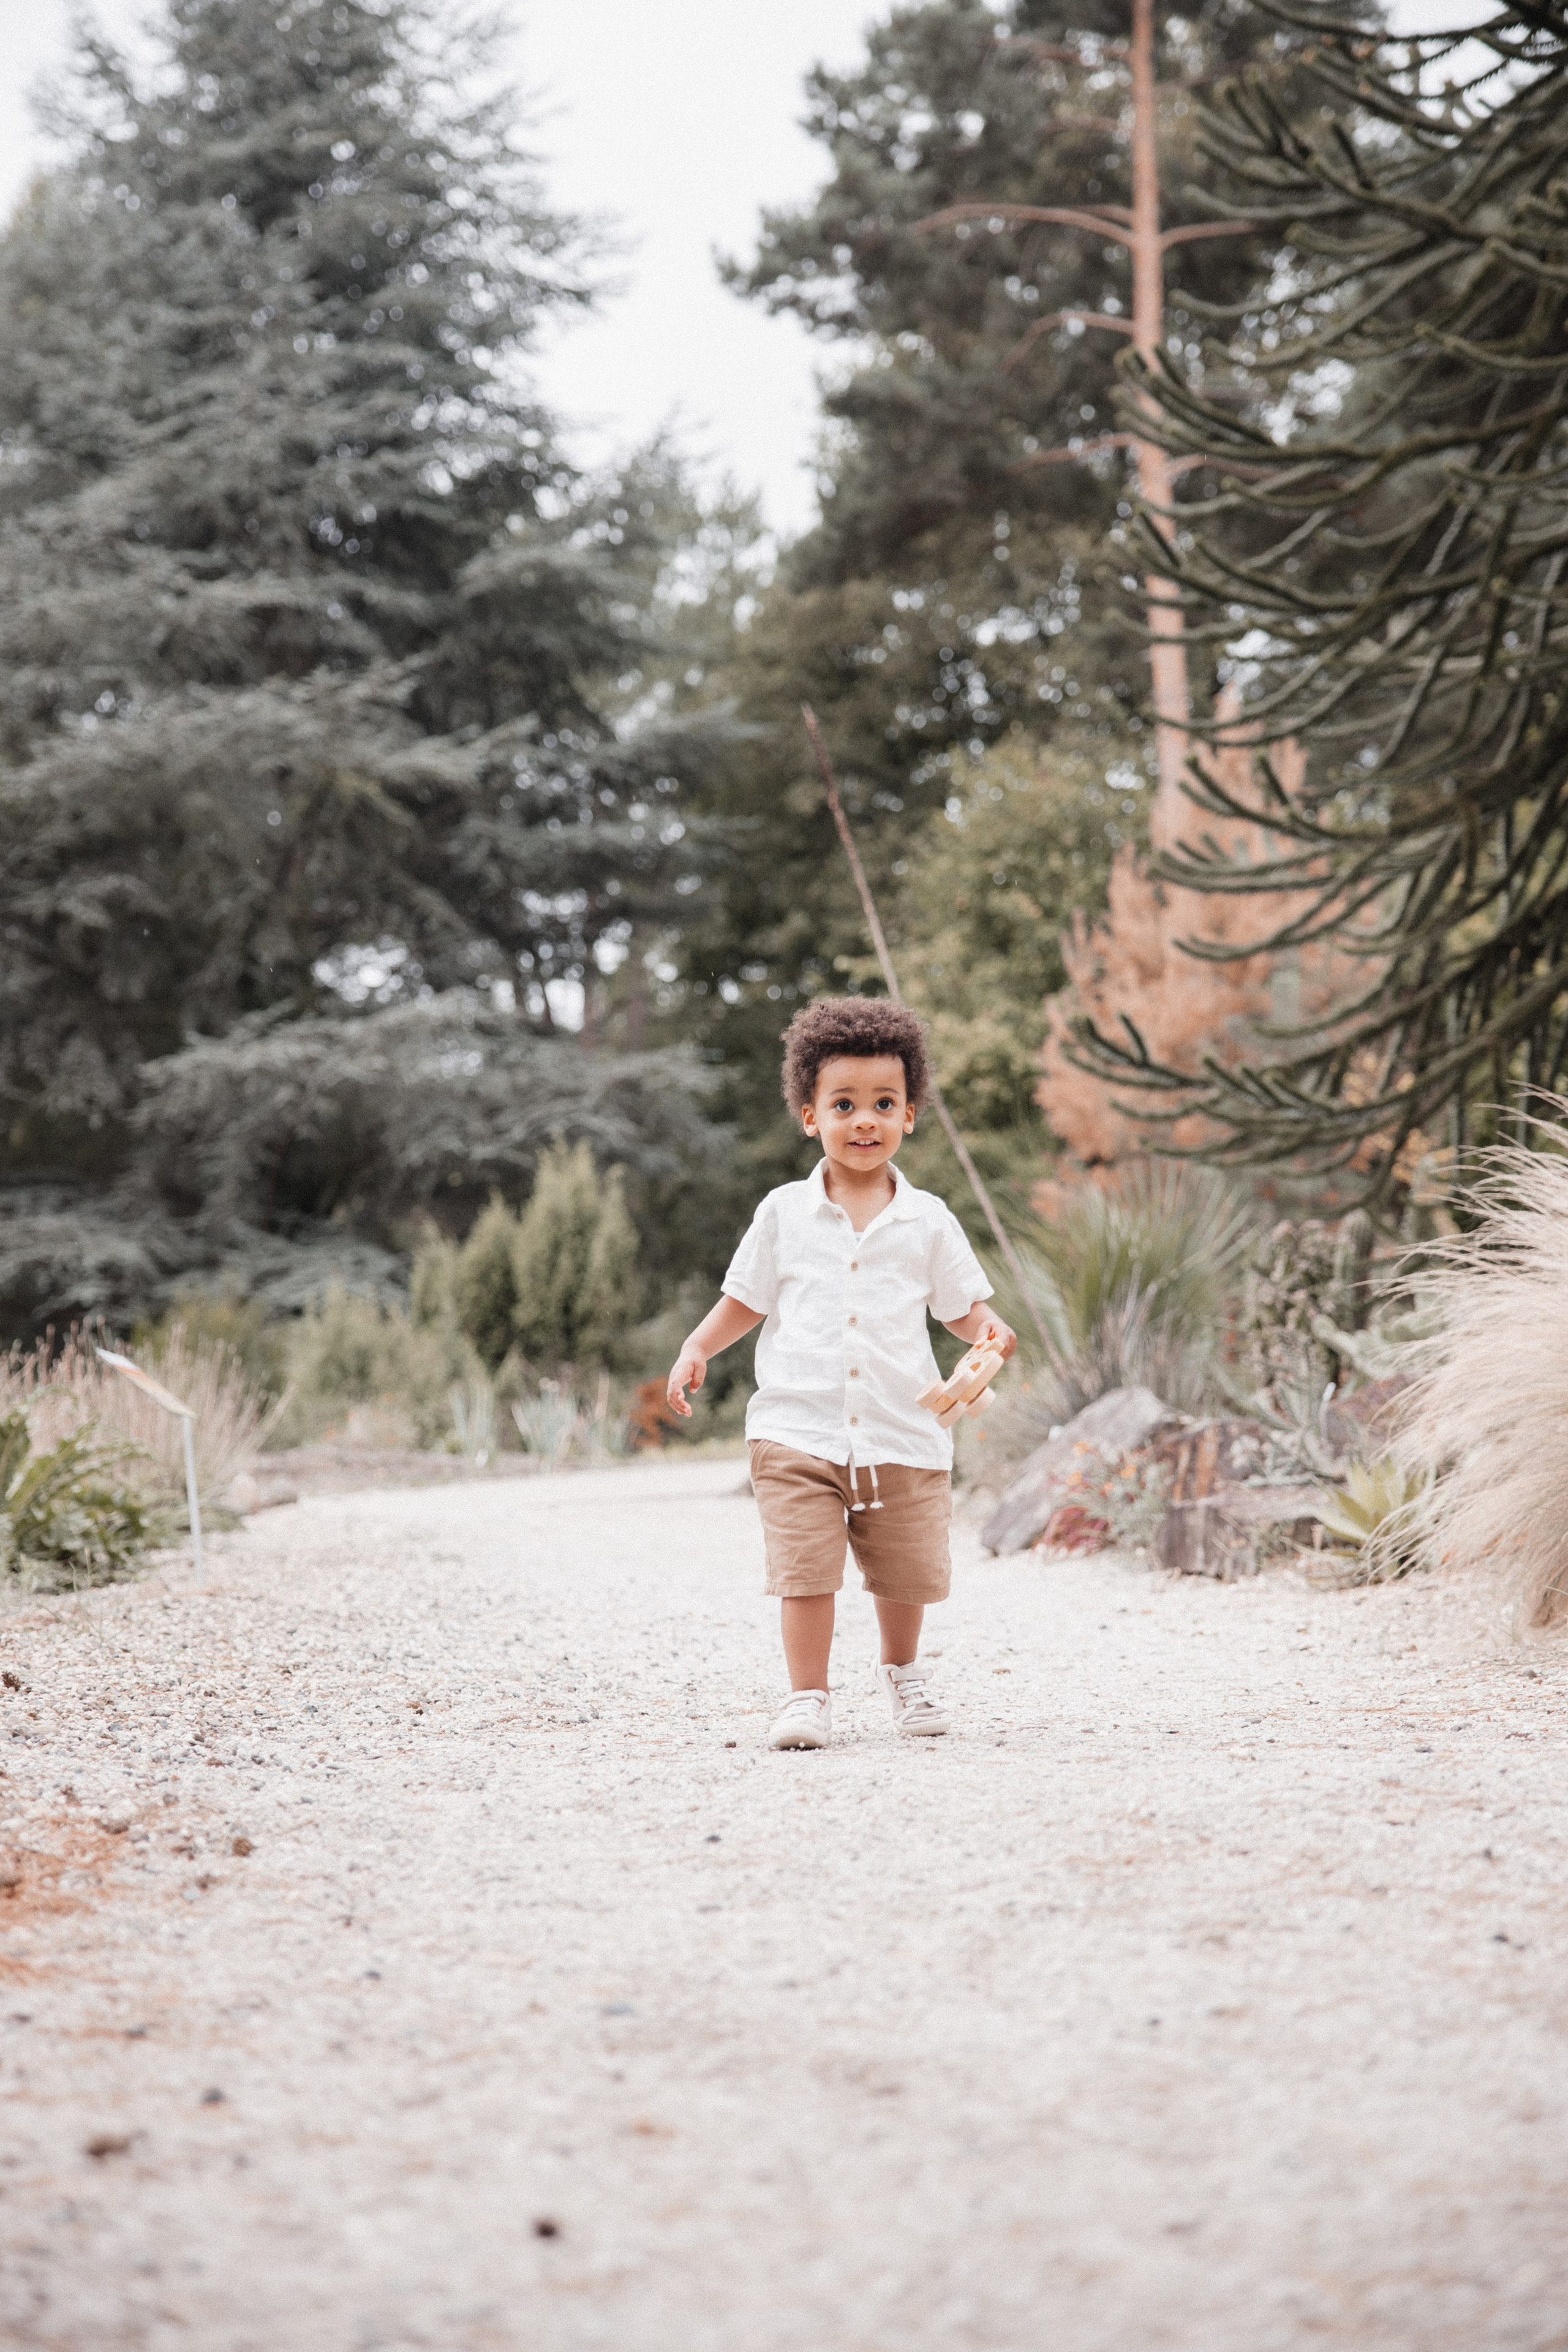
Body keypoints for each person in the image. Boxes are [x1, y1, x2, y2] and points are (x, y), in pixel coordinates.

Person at [666, 998, 1016, 1751]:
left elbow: (962, 1307)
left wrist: (989, 1329)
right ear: (809, 1116)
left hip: (903, 1429)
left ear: (909, 1116)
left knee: (906, 1572)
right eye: (844, 1104)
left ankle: (903, 1672)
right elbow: (746, 1299)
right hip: (797, 1428)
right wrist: (697, 1346)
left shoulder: (929, 1220)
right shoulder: (782, 1214)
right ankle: (808, 1696)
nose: (865, 1121)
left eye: (884, 1104)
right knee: (804, 1569)